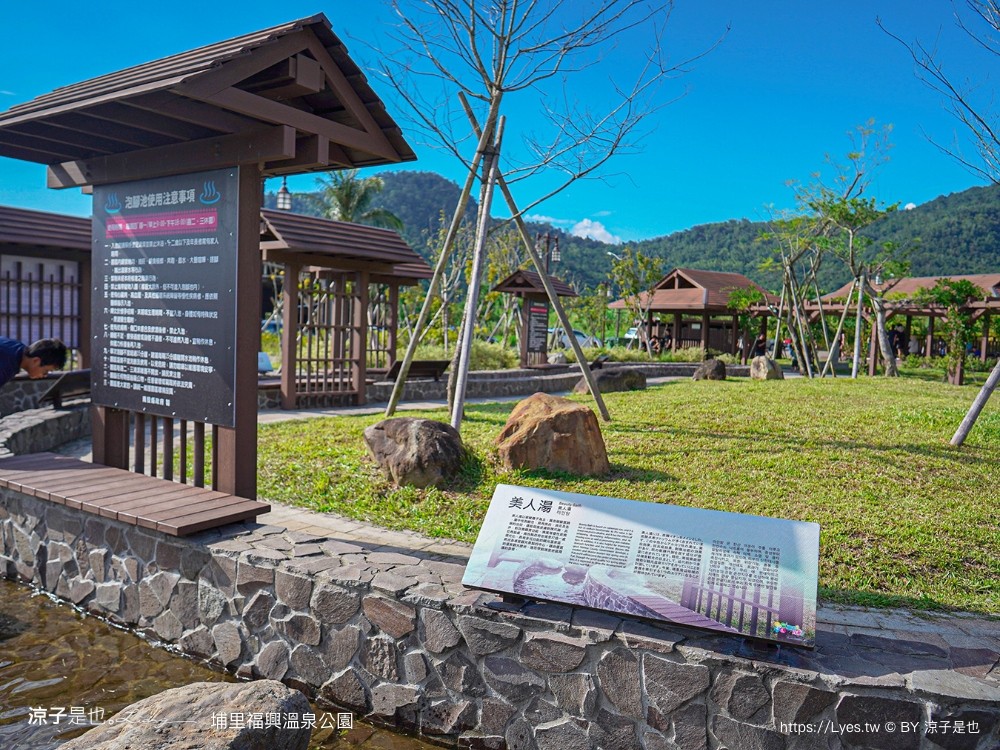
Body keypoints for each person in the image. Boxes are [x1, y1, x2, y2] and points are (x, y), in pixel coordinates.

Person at [0, 337, 68, 388]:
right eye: (45, 371)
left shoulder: (15, 346)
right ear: (36, 361)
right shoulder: (7, 366)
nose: (44, 376)